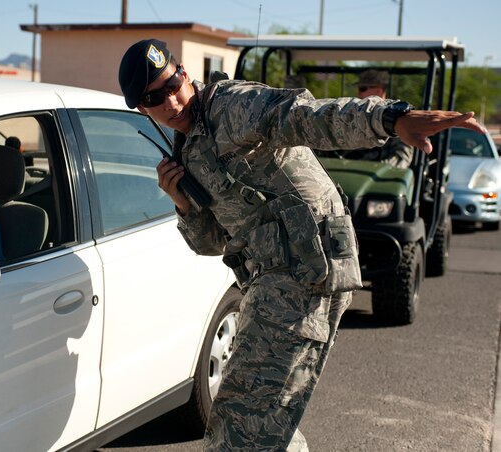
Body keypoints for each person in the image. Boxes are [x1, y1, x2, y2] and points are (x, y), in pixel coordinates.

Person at [118, 39, 484, 451]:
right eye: (155, 97)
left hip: (307, 271)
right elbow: (215, 242)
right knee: (263, 417)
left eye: (173, 84)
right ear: (141, 108)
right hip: (273, 278)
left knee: (242, 423)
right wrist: (184, 205)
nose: (172, 100)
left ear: (184, 73)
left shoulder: (232, 107)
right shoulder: (188, 152)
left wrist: (389, 117)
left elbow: (306, 116)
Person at [339, 70, 415, 168]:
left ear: (379, 91)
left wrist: (373, 169)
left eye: (362, 89)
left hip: (376, 178)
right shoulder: (351, 116)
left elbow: (400, 159)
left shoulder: (398, 119)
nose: (358, 93)